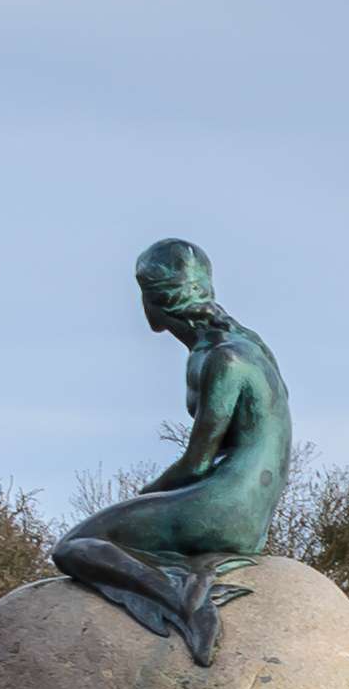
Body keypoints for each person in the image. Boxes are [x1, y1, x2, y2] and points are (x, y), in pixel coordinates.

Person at [46, 238, 290, 665]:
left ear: (151, 304)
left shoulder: (224, 360)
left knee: (76, 547)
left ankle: (185, 602)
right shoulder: (244, 343)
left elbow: (197, 462)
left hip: (226, 507)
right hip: (248, 509)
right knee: (119, 530)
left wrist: (146, 495)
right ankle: (181, 581)